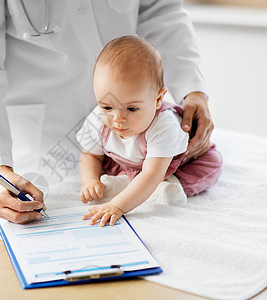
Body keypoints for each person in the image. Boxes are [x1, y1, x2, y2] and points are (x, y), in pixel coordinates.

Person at [0, 0, 214, 225]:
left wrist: (193, 89)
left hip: (129, 142)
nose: (117, 118)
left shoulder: (159, 124)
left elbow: (160, 9)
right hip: (31, 154)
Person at [77, 36, 222, 227]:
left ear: (158, 99)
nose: (117, 118)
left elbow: (151, 174)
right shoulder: (99, 118)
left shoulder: (164, 125)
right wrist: (90, 181)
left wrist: (117, 206)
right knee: (107, 161)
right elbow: (89, 155)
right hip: (132, 164)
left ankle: (169, 186)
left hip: (173, 164)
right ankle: (124, 183)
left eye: (132, 109)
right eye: (106, 107)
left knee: (211, 165)